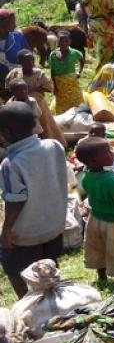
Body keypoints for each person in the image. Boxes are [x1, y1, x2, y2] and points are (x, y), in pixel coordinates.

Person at [0, 103, 68, 298]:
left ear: (5, 132)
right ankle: (52, 297)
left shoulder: (11, 164)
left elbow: (16, 201)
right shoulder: (54, 146)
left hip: (26, 234)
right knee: (48, 263)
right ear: (34, 123)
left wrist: (6, 232)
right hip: (54, 225)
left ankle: (24, 300)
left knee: (12, 266)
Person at [76, 136, 114, 283]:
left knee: (98, 248)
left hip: (95, 219)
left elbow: (98, 190)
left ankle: (101, 277)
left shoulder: (87, 175)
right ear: (94, 160)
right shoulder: (110, 179)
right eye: (107, 152)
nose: (113, 153)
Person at [6, 50, 65, 145]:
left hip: (38, 104)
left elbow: (49, 88)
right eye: (26, 60)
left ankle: (49, 143)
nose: (30, 63)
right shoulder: (15, 73)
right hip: (20, 104)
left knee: (44, 124)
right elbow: (9, 88)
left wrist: (33, 89)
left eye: (32, 60)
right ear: (20, 62)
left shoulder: (39, 73)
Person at [49, 30, 84, 113]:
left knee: (76, 100)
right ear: (57, 42)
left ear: (70, 42)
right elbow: (52, 71)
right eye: (61, 41)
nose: (64, 43)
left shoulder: (75, 53)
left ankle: (78, 115)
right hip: (60, 84)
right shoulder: (53, 55)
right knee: (62, 103)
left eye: (66, 41)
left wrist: (79, 71)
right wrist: (54, 86)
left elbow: (82, 60)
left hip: (72, 82)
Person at [0, 9, 29, 91]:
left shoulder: (18, 36)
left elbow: (28, 55)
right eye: (12, 22)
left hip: (19, 81)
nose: (15, 25)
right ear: (3, 24)